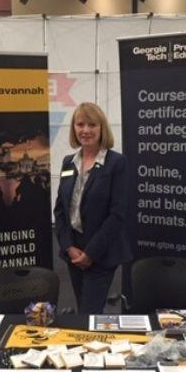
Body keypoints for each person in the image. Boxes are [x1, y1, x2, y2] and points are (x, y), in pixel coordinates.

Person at [53, 102, 131, 314]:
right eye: (80, 124)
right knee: (83, 312)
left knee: (89, 314)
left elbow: (117, 215)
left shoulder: (117, 163)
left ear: (101, 128)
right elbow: (60, 210)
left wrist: (90, 253)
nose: (85, 130)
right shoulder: (69, 162)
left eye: (91, 124)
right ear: (74, 128)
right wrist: (69, 247)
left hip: (101, 253)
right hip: (74, 253)